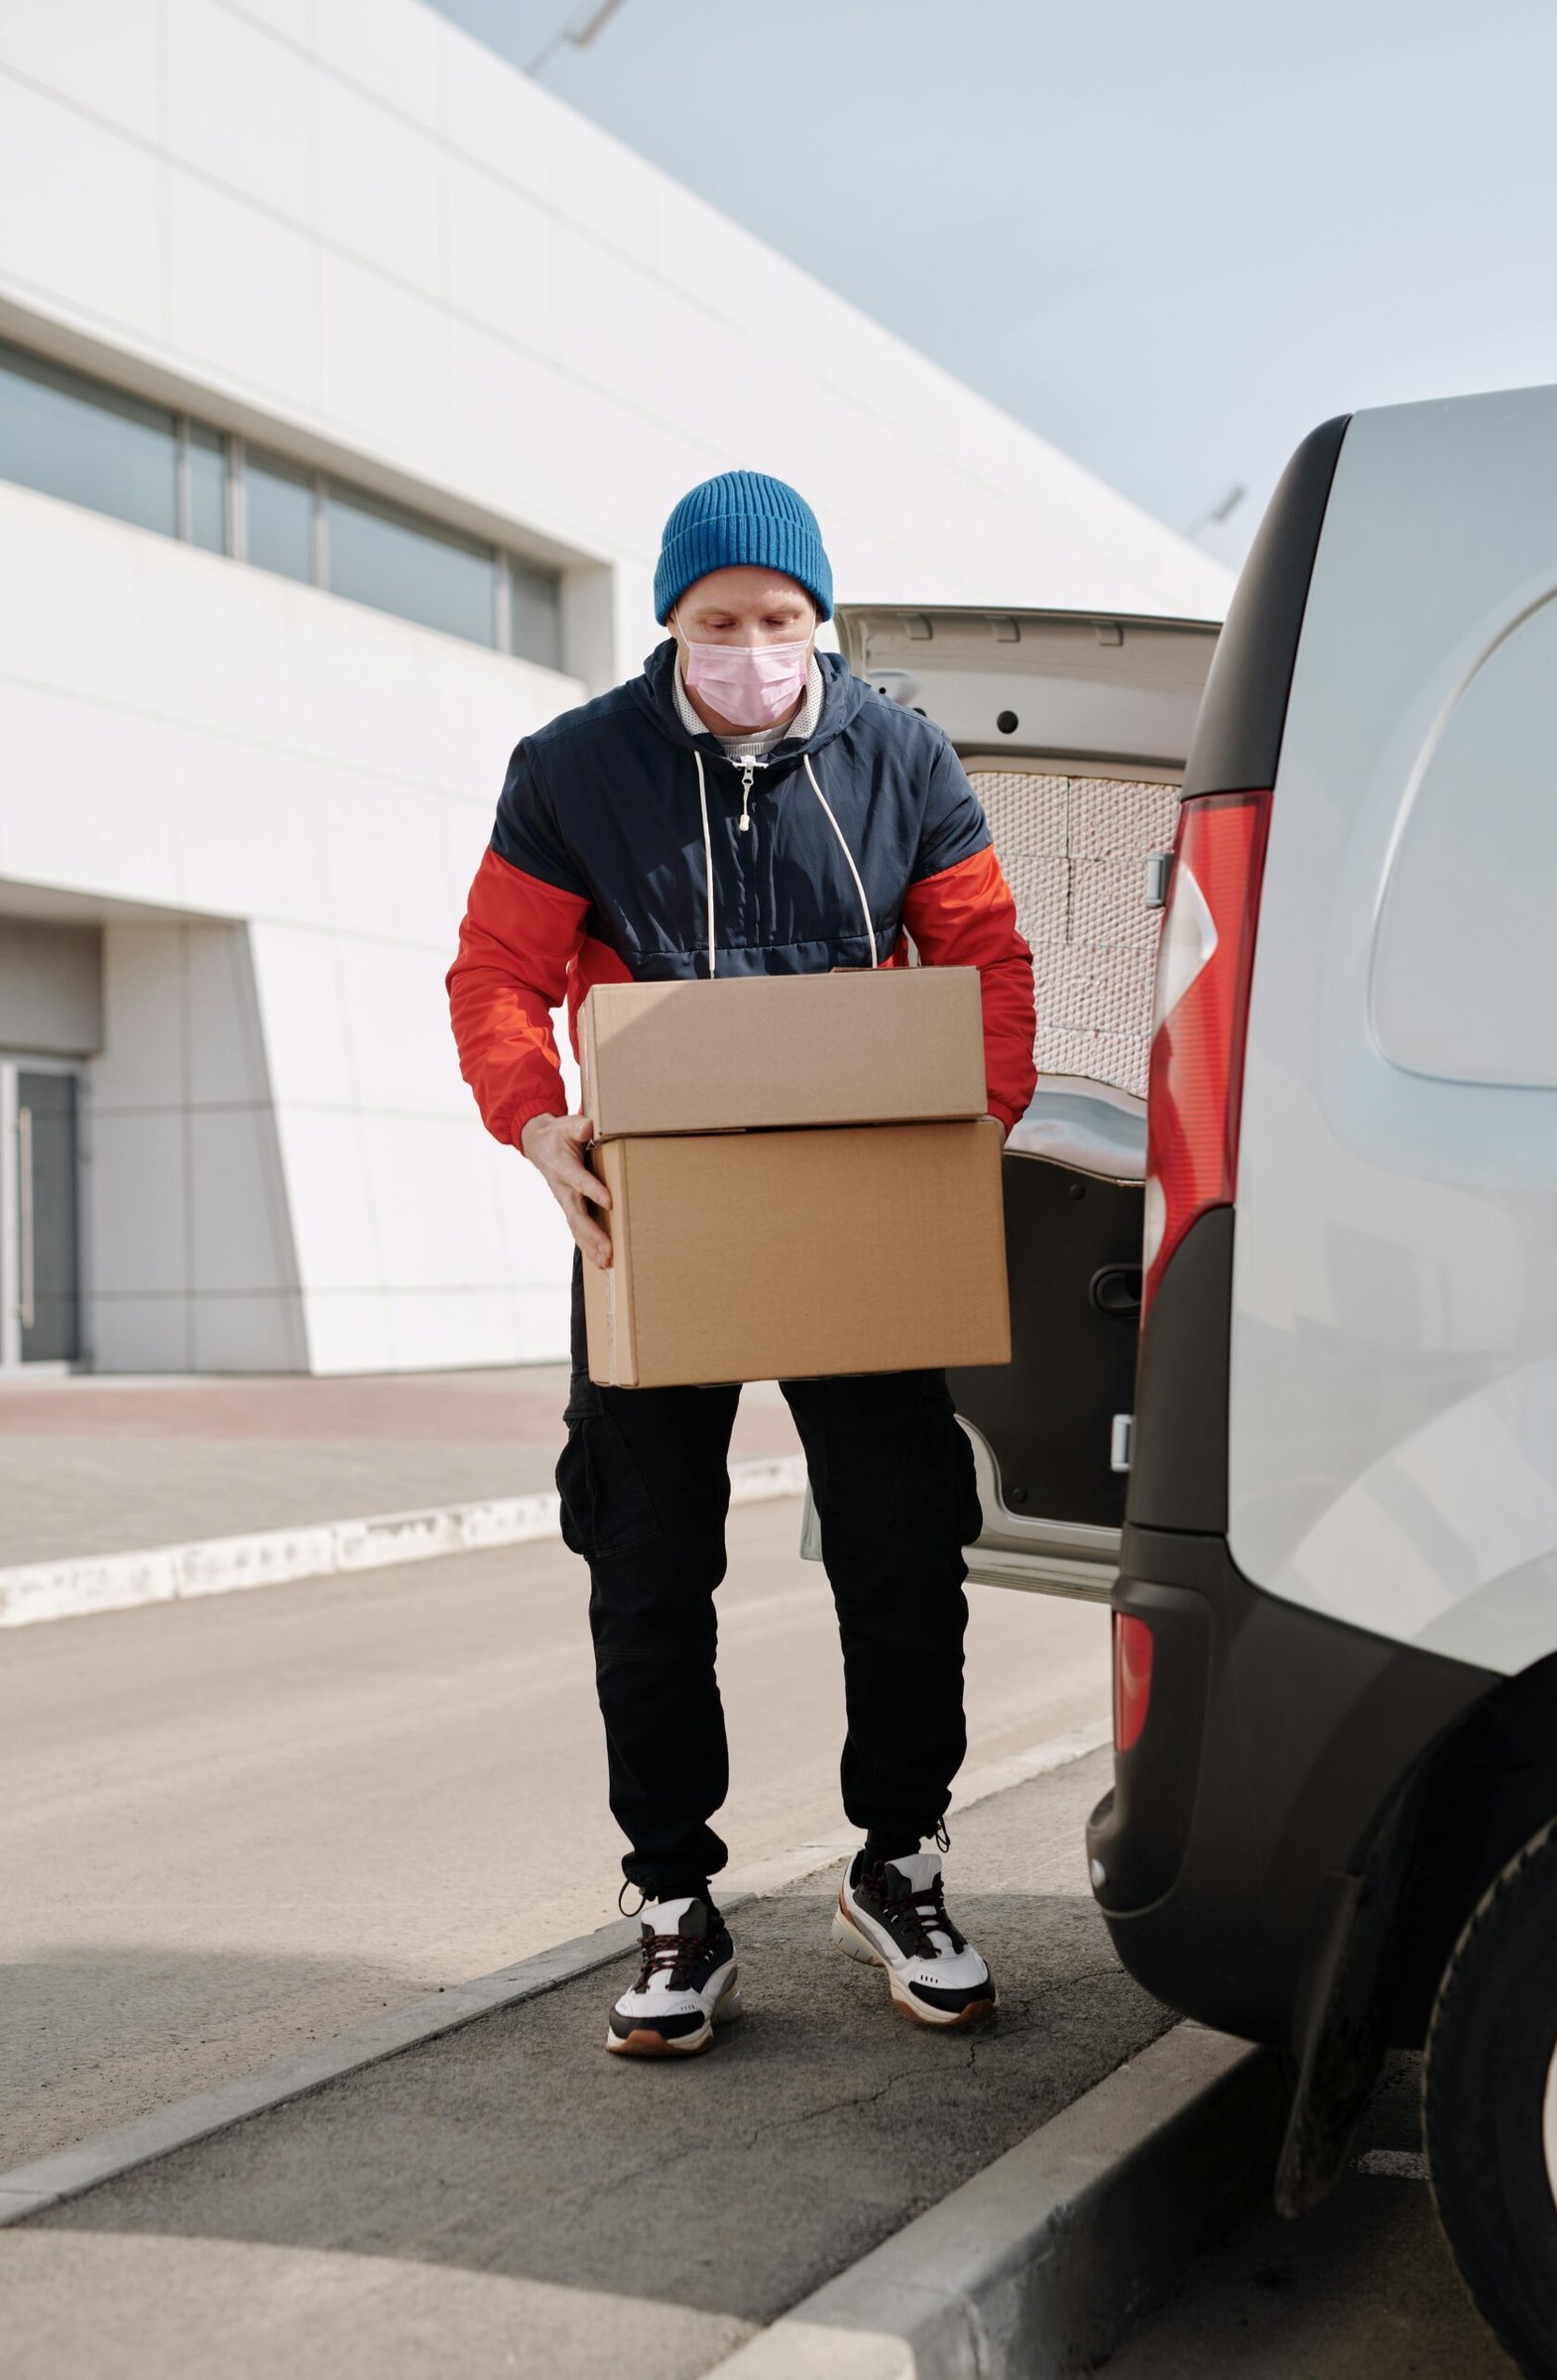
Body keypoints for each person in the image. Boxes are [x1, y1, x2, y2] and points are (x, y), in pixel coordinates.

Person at [447, 472, 1036, 2057]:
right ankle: (671, 1903)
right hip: (656, 1220)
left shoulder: (902, 755)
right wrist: (534, 1126)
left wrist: (972, 1124)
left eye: (782, 621)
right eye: (721, 622)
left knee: (903, 1549)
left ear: (817, 621)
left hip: (856, 1211)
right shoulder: (576, 769)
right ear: (673, 625)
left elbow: (985, 960)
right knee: (647, 1563)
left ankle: (900, 1863)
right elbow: (499, 972)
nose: (753, 648)